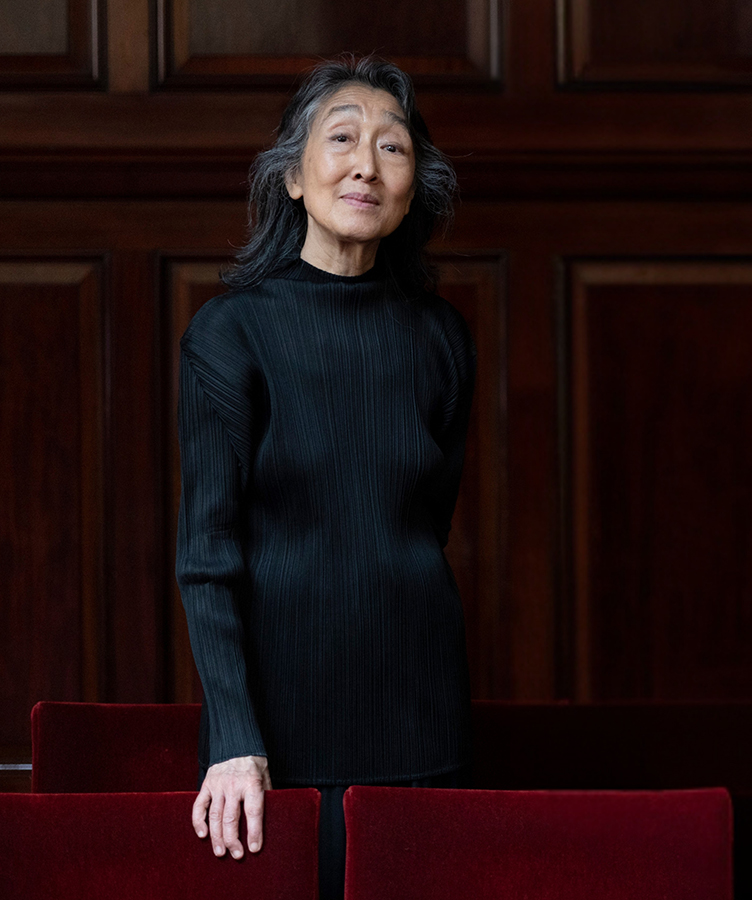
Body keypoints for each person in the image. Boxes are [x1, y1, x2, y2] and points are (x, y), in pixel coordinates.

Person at [175, 54, 473, 900]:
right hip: (277, 731)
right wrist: (234, 736)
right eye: (341, 138)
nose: (366, 165)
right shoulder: (230, 334)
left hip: (425, 708)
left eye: (394, 147)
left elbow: (422, 522)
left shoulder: (442, 339)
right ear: (295, 179)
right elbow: (205, 554)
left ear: (414, 187)